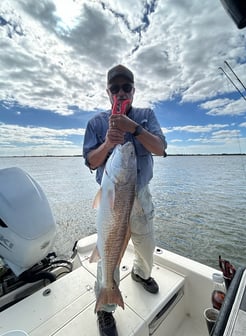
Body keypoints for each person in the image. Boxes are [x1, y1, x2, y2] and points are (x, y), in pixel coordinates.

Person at [83, 64, 167, 336]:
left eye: (126, 87)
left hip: (139, 193)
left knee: (146, 242)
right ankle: (105, 307)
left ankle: (141, 273)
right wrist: (108, 144)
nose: (121, 92)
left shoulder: (145, 116)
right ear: (108, 92)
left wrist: (135, 129)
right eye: (115, 88)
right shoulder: (96, 123)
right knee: (108, 247)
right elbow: (91, 161)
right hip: (111, 197)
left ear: (133, 90)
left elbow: (161, 149)